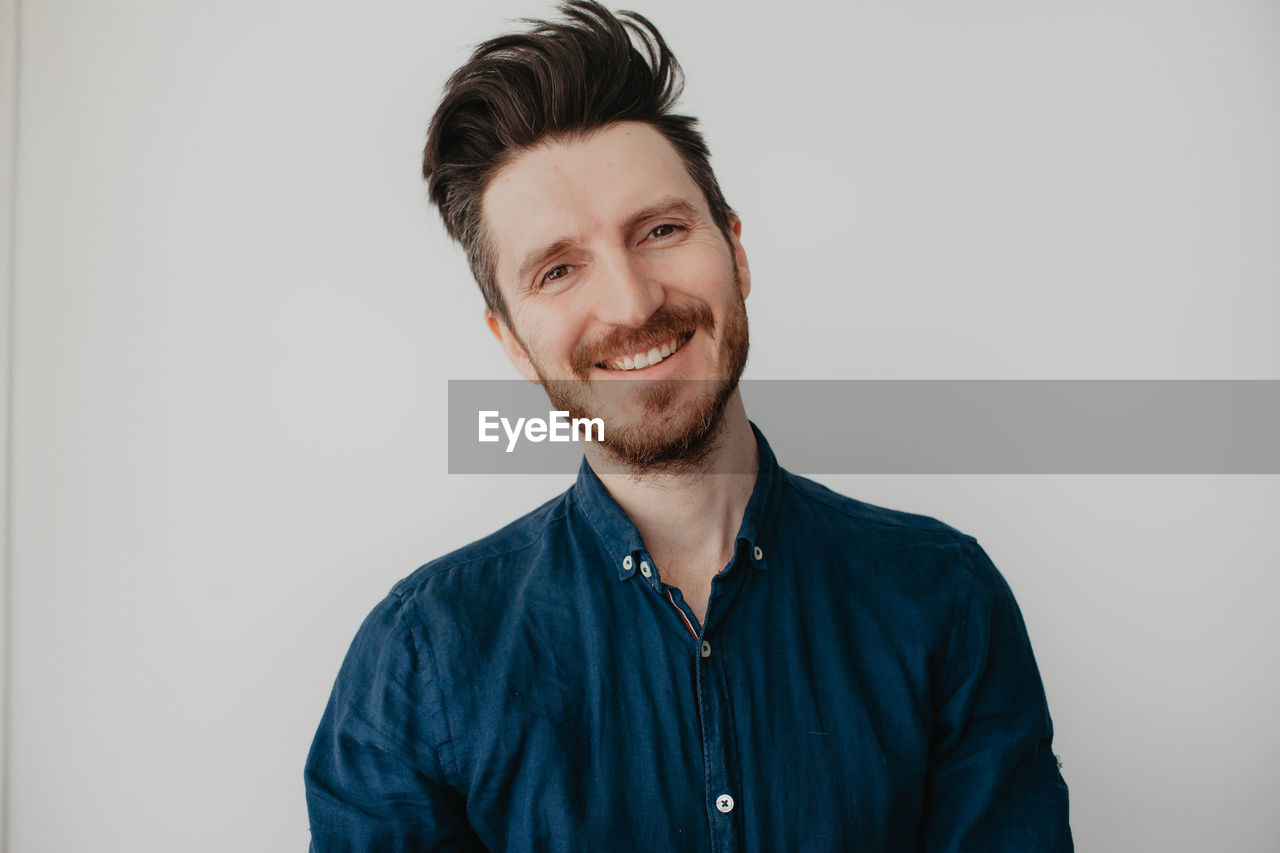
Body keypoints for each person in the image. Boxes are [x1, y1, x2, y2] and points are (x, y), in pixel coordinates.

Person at [304, 2, 1073, 850]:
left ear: (736, 252)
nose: (632, 302)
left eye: (661, 230)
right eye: (559, 269)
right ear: (512, 342)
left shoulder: (944, 601)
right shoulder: (418, 661)